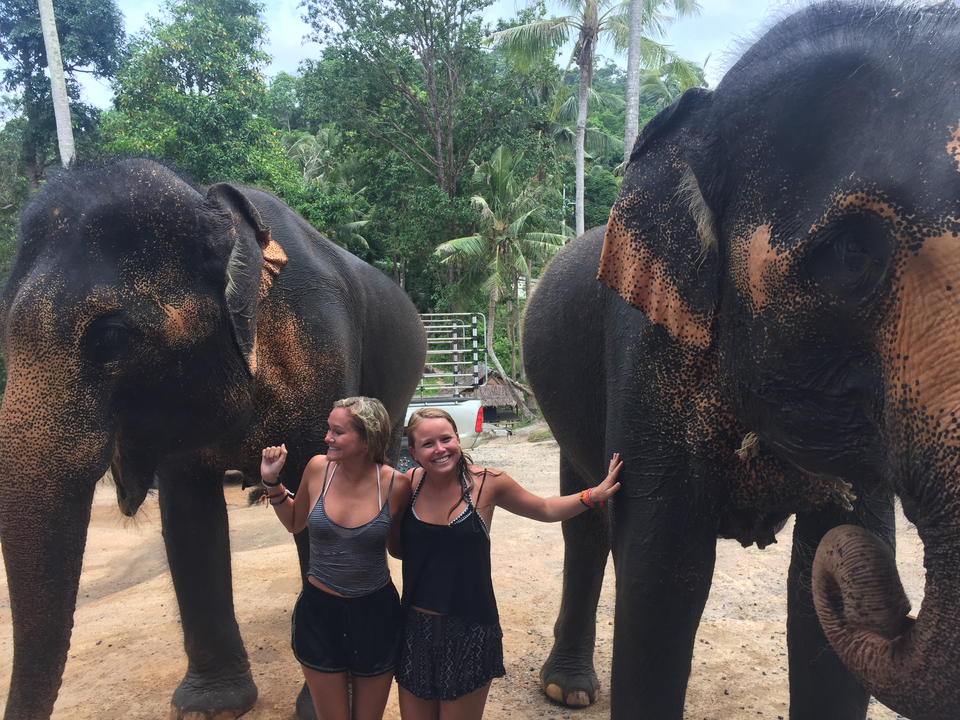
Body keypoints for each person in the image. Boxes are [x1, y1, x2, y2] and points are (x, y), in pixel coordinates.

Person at [396, 407, 622, 720]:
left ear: (457, 439)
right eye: (428, 443)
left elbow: (543, 508)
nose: (440, 449)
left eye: (446, 439)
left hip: (470, 630)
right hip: (416, 631)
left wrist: (591, 496)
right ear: (413, 452)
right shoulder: (408, 484)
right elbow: (392, 542)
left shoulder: (488, 483)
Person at [260, 396, 411, 720]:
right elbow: (294, 522)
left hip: (376, 616)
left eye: (337, 432)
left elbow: (398, 548)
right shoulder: (318, 469)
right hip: (320, 614)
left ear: (367, 438)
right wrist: (272, 481)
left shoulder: (396, 485)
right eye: (329, 430)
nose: (327, 438)